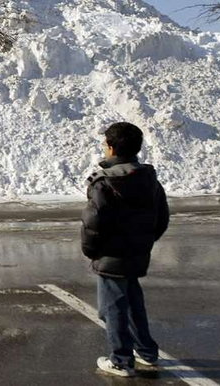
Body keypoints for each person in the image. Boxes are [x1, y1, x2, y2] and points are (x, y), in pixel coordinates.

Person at [81, 122, 169, 378]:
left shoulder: (104, 182)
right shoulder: (148, 177)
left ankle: (121, 360)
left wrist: (91, 250)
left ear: (110, 147)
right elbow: (161, 216)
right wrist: (146, 240)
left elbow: (93, 223)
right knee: (132, 303)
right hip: (137, 252)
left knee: (112, 308)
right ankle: (146, 351)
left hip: (111, 256)